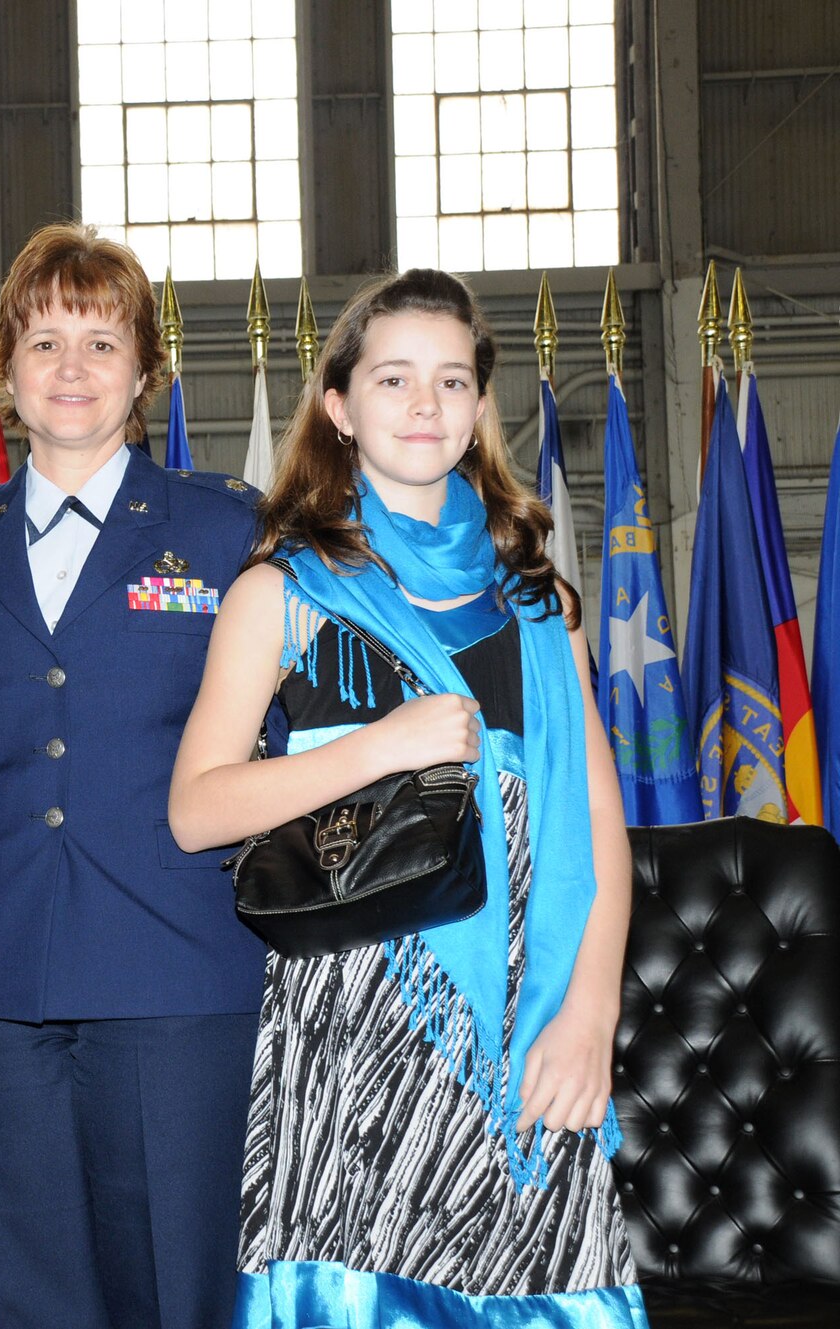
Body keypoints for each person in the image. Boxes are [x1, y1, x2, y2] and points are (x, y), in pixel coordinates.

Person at [168, 268, 646, 1325]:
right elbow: (194, 809)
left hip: (532, 1025)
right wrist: (375, 748)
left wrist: (590, 1016)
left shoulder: (539, 605)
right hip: (348, 1028)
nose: (422, 405)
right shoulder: (280, 591)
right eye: (391, 379)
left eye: (449, 380)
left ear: (479, 406)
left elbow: (599, 829)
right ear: (338, 408)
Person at [0, 222, 268, 1329]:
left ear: (144, 371)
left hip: (177, 977)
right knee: (40, 1300)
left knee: (175, 1293)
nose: (70, 369)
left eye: (100, 343)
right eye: (43, 341)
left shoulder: (227, 530)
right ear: (3, 373)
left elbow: (281, 753)